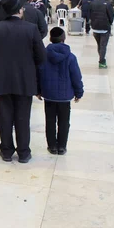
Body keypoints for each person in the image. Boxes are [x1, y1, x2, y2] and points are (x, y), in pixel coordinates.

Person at [0, 0, 46, 164]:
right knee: (23, 117)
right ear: (20, 10)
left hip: (1, 80)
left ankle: (6, 151)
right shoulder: (31, 29)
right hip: (25, 80)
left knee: (5, 117)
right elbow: (41, 57)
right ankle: (24, 153)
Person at [37, 27, 84, 155]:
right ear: (64, 39)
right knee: (64, 122)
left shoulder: (43, 56)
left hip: (48, 94)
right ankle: (62, 146)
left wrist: (38, 90)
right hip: (65, 96)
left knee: (50, 121)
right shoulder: (71, 57)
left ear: (51, 39)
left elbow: (38, 74)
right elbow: (76, 76)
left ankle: (52, 146)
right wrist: (79, 92)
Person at [89, 0, 114, 69]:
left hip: (95, 27)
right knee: (103, 45)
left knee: (99, 45)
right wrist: (110, 23)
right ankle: (102, 62)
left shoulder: (92, 3)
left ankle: (101, 59)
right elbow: (111, 16)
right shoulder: (107, 3)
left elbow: (89, 14)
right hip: (104, 27)